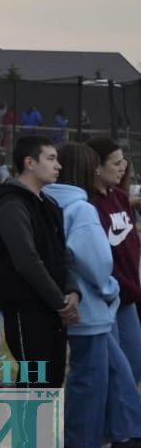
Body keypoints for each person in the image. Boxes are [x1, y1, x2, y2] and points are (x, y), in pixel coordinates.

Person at [0, 135, 86, 448]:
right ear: (30, 162)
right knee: (34, 377)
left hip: (53, 307)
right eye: (51, 158)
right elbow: (26, 259)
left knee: (53, 379)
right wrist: (59, 301)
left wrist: (71, 291)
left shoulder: (49, 205)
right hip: (27, 306)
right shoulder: (12, 204)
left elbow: (63, 253)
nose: (58, 165)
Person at [49, 144, 141, 448]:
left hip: (86, 302)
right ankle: (109, 438)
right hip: (94, 304)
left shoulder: (51, 202)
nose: (123, 166)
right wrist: (110, 286)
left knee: (106, 370)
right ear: (92, 169)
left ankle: (93, 439)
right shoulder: (83, 208)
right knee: (104, 371)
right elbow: (95, 258)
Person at [87, 136, 140, 375]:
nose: (123, 167)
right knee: (114, 369)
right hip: (105, 296)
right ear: (97, 167)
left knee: (135, 361)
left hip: (128, 295)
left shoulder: (119, 197)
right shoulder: (88, 203)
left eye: (124, 161)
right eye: (116, 162)